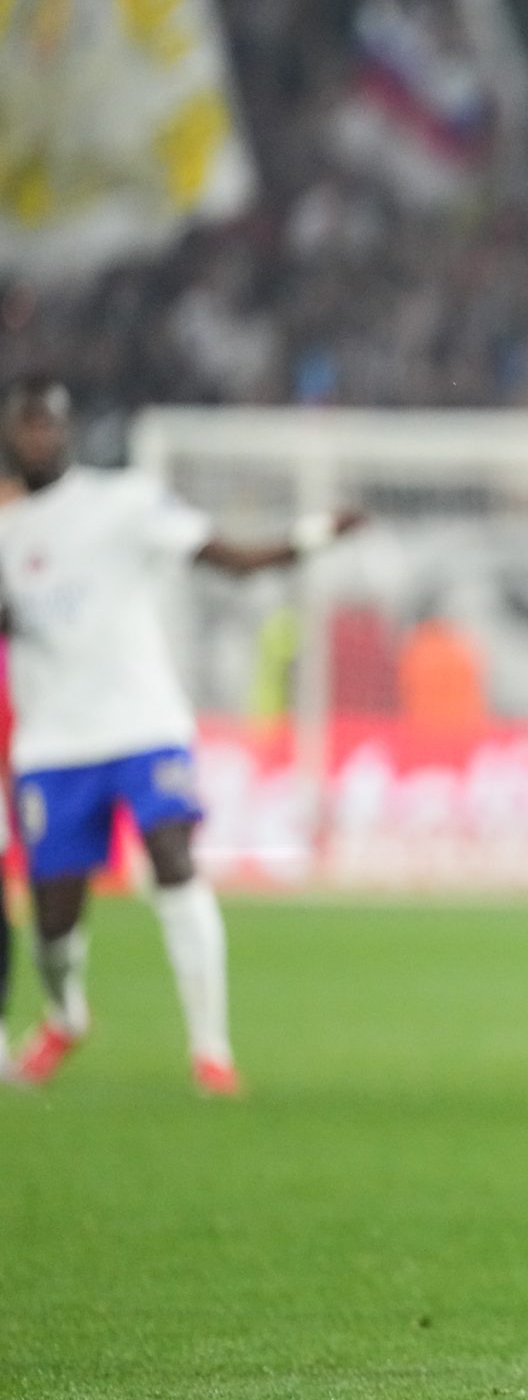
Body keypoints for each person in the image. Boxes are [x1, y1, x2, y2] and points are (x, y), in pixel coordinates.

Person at [0, 375, 363, 1093]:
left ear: (69, 429)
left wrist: (312, 535)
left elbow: (230, 560)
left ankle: (211, 1050)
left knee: (173, 855)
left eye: (49, 423)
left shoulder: (123, 502)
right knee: (54, 922)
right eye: (25, 424)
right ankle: (66, 1015)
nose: (38, 436)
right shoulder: (6, 533)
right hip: (53, 743)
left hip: (144, 722)